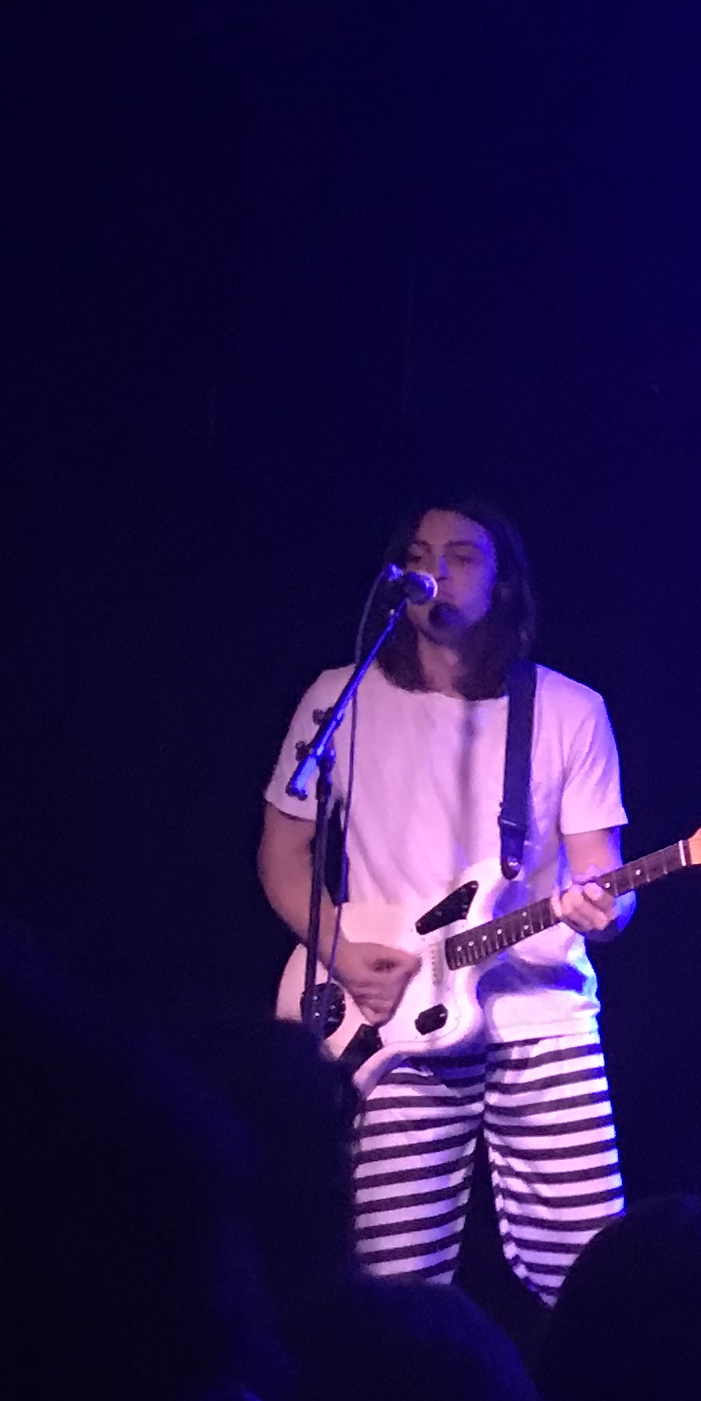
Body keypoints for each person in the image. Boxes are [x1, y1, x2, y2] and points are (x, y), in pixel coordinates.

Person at [257, 501, 630, 1299]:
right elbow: (282, 851)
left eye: (462, 556)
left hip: (542, 1017)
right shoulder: (338, 700)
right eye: (420, 554)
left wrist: (606, 908)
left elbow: (604, 877)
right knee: (393, 1286)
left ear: (503, 584)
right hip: (390, 1011)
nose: (435, 571)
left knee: (594, 1279)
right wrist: (340, 955)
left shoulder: (569, 710)